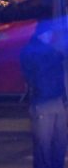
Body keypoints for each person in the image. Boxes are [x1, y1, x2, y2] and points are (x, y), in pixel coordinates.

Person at [20, 19, 66, 168]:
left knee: (58, 141)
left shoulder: (49, 49)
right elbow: (31, 73)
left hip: (56, 99)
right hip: (43, 102)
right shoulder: (33, 51)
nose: (50, 35)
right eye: (49, 32)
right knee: (44, 144)